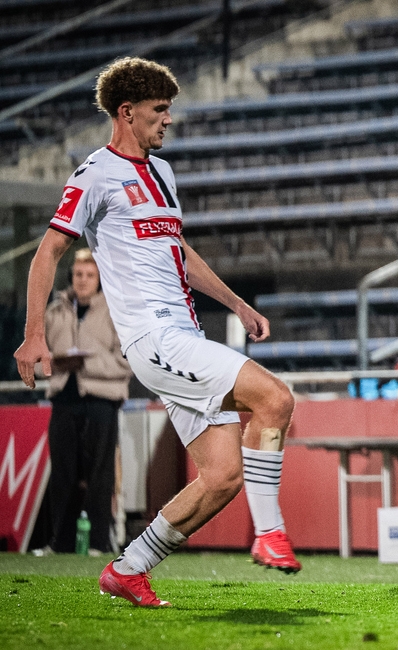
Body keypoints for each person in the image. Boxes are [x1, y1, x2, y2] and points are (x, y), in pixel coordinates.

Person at [14, 58, 300, 608]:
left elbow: (179, 253)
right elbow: (48, 250)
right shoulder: (94, 173)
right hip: (154, 339)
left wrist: (236, 302)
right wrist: (34, 335)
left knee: (221, 476)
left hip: (183, 334)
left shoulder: (162, 173)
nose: (168, 120)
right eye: (159, 110)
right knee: (275, 398)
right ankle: (269, 533)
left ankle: (129, 567)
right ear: (127, 113)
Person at [38, 248, 131, 555]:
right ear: (70, 276)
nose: (83, 280)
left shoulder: (117, 311)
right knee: (62, 473)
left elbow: (128, 363)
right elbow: (38, 361)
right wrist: (57, 363)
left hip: (102, 402)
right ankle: (59, 543)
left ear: (100, 278)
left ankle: (98, 543)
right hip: (64, 400)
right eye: (78, 274)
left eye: (90, 275)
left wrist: (86, 364)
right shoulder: (54, 311)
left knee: (100, 475)